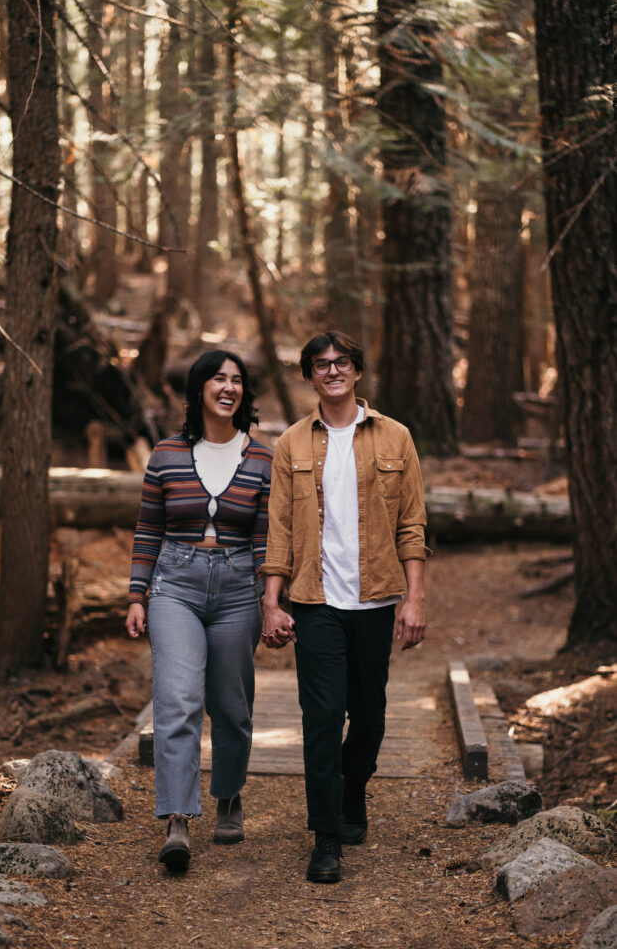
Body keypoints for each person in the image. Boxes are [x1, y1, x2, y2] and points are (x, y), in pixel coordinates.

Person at [261, 331, 430, 884]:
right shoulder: (292, 444)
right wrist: (272, 601)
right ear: (309, 375)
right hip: (315, 601)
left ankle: (353, 788)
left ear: (357, 371)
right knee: (322, 718)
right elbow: (280, 529)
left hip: (376, 597)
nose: (331, 371)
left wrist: (414, 600)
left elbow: (412, 525)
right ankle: (326, 835)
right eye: (320, 364)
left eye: (341, 362)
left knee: (370, 715)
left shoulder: (396, 438)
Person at [125, 349, 272, 873]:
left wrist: (269, 601)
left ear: (244, 394)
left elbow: (264, 540)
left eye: (237, 380)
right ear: (199, 390)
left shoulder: (261, 459)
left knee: (232, 707)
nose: (228, 387)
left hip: (237, 591)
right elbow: (148, 529)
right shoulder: (165, 454)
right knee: (178, 698)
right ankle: (178, 819)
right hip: (175, 586)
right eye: (218, 379)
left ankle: (228, 796)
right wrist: (137, 594)